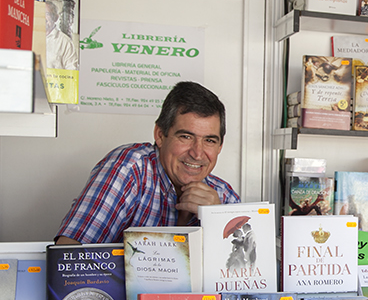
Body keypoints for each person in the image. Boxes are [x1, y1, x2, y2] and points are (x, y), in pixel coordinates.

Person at [55, 82, 240, 244]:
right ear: (160, 135)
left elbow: (243, 274)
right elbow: (68, 253)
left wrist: (217, 220)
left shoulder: (225, 198)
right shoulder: (129, 169)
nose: (197, 153)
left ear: (220, 146)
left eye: (209, 140)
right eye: (186, 136)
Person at [45, 1, 78, 71]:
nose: (43, 18)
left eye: (47, 14)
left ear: (56, 18)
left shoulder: (65, 42)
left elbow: (72, 71)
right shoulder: (31, 37)